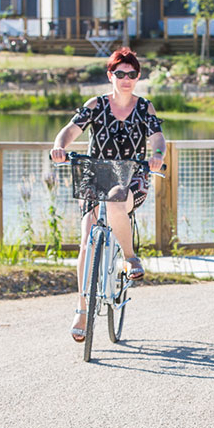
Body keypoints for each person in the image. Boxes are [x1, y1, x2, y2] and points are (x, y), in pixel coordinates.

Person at [50, 47, 166, 343]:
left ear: (138, 76)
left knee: (116, 198)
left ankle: (129, 257)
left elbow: (157, 138)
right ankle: (82, 309)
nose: (125, 79)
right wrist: (60, 146)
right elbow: (69, 131)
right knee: (87, 241)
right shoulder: (96, 104)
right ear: (110, 75)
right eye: (119, 73)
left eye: (131, 74)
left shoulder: (144, 108)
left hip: (131, 176)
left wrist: (156, 155)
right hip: (94, 172)